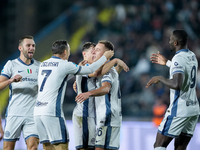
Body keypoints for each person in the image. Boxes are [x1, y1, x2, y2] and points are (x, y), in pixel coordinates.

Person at [34, 40, 114, 150]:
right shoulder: (65, 64)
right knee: (62, 145)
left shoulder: (43, 64)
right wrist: (105, 57)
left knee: (47, 147)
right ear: (65, 52)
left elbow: (57, 77)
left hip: (38, 112)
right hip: (52, 112)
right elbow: (91, 70)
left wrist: (76, 75)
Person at [146, 29, 200, 150]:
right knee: (180, 147)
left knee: (159, 145)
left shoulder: (178, 58)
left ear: (175, 43)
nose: (169, 41)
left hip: (179, 110)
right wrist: (167, 63)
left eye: (170, 39)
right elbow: (184, 71)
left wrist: (160, 78)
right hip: (193, 109)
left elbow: (177, 84)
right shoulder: (192, 56)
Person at [73, 42, 129, 150]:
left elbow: (106, 88)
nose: (94, 52)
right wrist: (116, 63)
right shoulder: (98, 68)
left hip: (108, 116)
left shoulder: (107, 71)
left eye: (97, 50)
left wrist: (87, 93)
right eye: (93, 50)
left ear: (106, 54)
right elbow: (97, 74)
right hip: (103, 116)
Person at [0, 35, 40, 150]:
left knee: (33, 147)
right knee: (8, 148)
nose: (31, 48)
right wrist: (11, 80)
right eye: (28, 45)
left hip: (33, 114)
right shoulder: (11, 65)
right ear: (20, 48)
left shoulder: (40, 66)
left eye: (33, 45)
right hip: (14, 113)